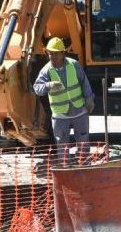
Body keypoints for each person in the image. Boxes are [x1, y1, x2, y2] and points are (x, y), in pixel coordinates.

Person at [33, 37, 95, 166]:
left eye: (56, 53)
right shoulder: (46, 70)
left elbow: (85, 84)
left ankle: (85, 167)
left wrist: (89, 100)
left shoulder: (74, 65)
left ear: (63, 53)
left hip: (79, 112)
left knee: (83, 143)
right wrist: (48, 85)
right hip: (60, 115)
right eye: (50, 53)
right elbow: (37, 89)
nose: (53, 56)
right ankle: (66, 169)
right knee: (62, 145)